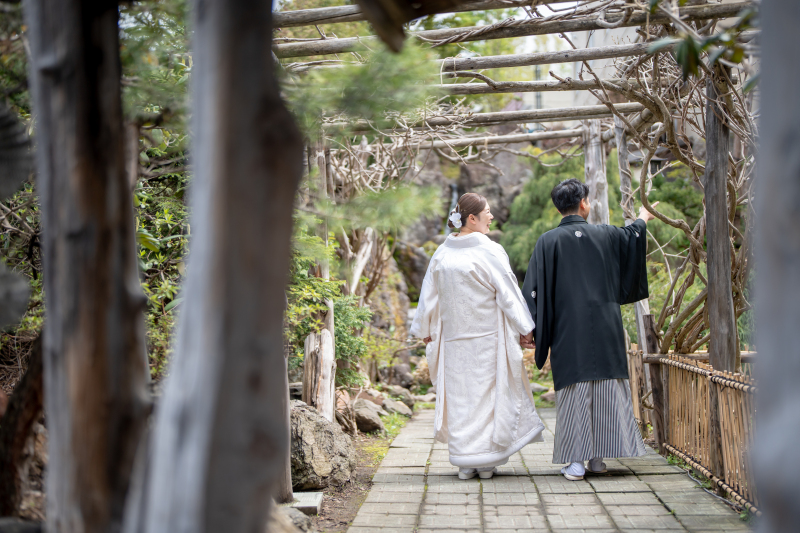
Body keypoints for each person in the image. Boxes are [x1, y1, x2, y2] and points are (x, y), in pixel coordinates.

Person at [521, 178, 657, 481]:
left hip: (568, 328)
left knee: (575, 390)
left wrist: (529, 327)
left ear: (559, 207)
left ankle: (578, 462)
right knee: (606, 387)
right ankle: (597, 459)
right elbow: (633, 235)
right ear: (584, 203)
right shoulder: (606, 235)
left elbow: (533, 289)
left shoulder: (548, 241)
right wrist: (643, 218)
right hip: (606, 325)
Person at [410, 193, 545, 480]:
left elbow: (428, 297)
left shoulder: (442, 253)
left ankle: (465, 462)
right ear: (472, 218)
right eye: (487, 211)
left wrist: (424, 330)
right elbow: (508, 294)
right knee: (487, 398)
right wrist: (526, 327)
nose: (491, 216)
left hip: (455, 340)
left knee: (462, 400)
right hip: (487, 339)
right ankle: (486, 462)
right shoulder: (489, 251)